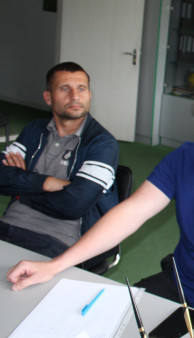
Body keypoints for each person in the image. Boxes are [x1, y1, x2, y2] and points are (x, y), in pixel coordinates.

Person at [7, 87, 194, 312]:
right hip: (183, 285)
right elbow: (130, 214)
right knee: (115, 323)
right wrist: (55, 265)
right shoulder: (184, 159)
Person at [0, 62, 119, 259]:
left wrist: (21, 193)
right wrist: (46, 182)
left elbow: (74, 205)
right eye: (65, 88)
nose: (75, 96)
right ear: (48, 97)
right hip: (8, 224)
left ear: (89, 95)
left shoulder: (102, 143)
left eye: (81, 89)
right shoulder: (34, 130)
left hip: (58, 241)